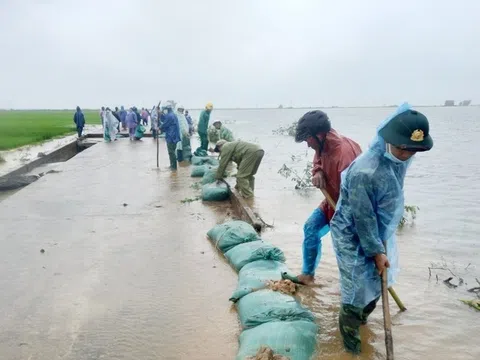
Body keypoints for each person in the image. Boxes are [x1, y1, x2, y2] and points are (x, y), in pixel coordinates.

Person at [330, 103, 433, 354]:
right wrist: (376, 251)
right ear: (388, 141)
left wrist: (380, 245)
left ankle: (363, 319)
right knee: (356, 290)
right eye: (403, 149)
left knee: (377, 285)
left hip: (378, 231)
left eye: (413, 151)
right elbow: (363, 219)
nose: (407, 155)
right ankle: (351, 344)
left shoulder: (398, 159)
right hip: (351, 234)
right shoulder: (364, 172)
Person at [293, 110, 362, 286]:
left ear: (319, 134)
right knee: (311, 227)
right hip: (331, 200)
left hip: (351, 208)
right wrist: (317, 171)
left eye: (307, 139)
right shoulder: (322, 145)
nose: (307, 145)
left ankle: (350, 287)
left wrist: (345, 219)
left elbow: (356, 195)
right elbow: (318, 159)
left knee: (346, 247)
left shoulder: (345, 154)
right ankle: (307, 275)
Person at [160, 102, 181, 171]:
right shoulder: (171, 115)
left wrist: (158, 128)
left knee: (171, 152)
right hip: (172, 135)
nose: (164, 110)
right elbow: (164, 119)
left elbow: (165, 124)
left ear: (167, 109)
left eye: (164, 109)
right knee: (171, 152)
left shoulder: (170, 116)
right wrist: (160, 114)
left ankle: (174, 167)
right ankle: (172, 165)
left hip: (172, 136)